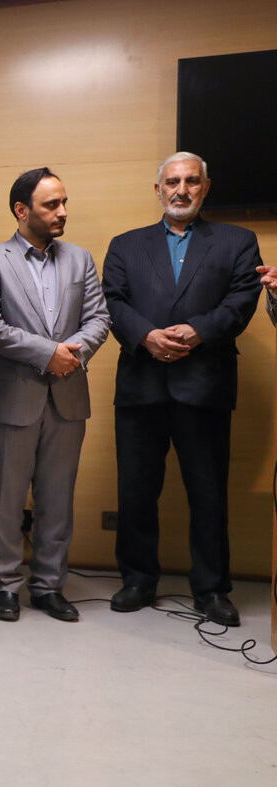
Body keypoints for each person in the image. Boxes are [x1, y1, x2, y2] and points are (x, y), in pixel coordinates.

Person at [102, 151, 261, 627]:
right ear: (158, 190)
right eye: (172, 181)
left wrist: (197, 331)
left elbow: (242, 299)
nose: (181, 190)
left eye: (192, 181)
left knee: (208, 495)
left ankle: (211, 590)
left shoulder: (238, 241)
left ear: (205, 188)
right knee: (135, 492)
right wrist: (147, 336)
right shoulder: (125, 245)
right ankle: (137, 580)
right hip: (141, 383)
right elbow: (113, 301)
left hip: (204, 385)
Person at [0, 168, 110, 622]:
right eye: (52, 204)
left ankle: (49, 587)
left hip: (68, 396)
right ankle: (5, 587)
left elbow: (99, 319)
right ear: (21, 210)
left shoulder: (80, 259)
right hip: (12, 399)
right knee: (7, 500)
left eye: (64, 202)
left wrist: (72, 354)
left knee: (57, 499)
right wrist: (48, 353)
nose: (62, 212)